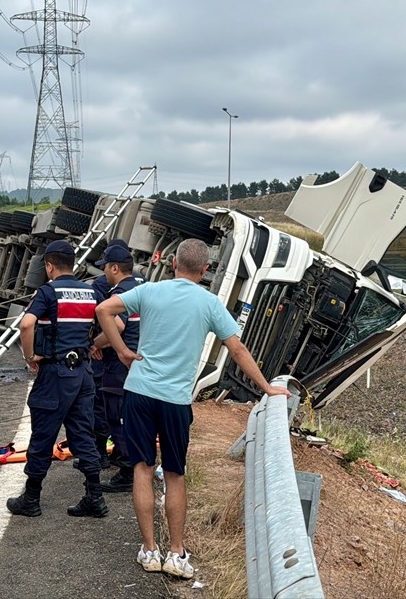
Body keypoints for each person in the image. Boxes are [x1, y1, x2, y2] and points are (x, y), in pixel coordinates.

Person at [96, 238, 290, 580]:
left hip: (139, 392)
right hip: (175, 400)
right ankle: (176, 552)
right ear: (205, 270)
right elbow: (237, 348)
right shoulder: (210, 303)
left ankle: (149, 550)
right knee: (174, 474)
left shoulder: (149, 291)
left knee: (141, 468)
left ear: (173, 262)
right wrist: (266, 387)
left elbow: (103, 311)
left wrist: (123, 352)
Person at [7, 240, 107, 518]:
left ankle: (31, 497)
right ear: (72, 264)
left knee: (43, 434)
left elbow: (26, 324)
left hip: (55, 374)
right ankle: (95, 497)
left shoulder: (48, 292)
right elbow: (115, 325)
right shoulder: (90, 292)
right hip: (84, 375)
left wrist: (30, 357)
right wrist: (94, 345)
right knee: (83, 435)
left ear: (49, 266)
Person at [91, 243, 143, 493]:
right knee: (134, 416)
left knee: (117, 416)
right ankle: (133, 462)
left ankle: (126, 470)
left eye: (105, 269)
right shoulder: (143, 288)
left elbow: (118, 327)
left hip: (119, 365)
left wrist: (95, 343)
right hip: (140, 361)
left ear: (114, 268)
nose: (104, 274)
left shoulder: (120, 293)